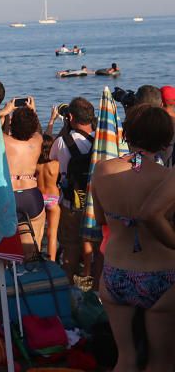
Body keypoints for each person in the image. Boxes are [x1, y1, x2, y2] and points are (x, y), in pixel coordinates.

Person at [91, 105, 175, 372]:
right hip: (162, 276)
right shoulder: (168, 178)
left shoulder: (103, 170)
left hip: (116, 273)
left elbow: (101, 219)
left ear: (126, 134)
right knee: (161, 361)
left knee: (125, 359)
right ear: (166, 139)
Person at [49, 96, 97, 279]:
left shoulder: (63, 142)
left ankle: (68, 282)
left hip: (72, 204)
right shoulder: (101, 140)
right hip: (95, 204)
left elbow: (52, 158)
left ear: (69, 117)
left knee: (70, 244)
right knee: (94, 243)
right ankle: (90, 279)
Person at [4, 102, 46, 255]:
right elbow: (37, 130)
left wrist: (5, 112)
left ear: (13, 125)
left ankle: (10, 270)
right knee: (36, 237)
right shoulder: (37, 141)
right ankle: (34, 269)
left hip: (9, 194)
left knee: (5, 238)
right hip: (31, 195)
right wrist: (33, 111)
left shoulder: (4, 141)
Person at [37, 134, 61, 262]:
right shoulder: (56, 164)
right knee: (52, 234)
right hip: (53, 199)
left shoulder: (36, 165)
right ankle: (51, 262)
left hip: (38, 198)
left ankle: (36, 260)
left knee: (38, 233)